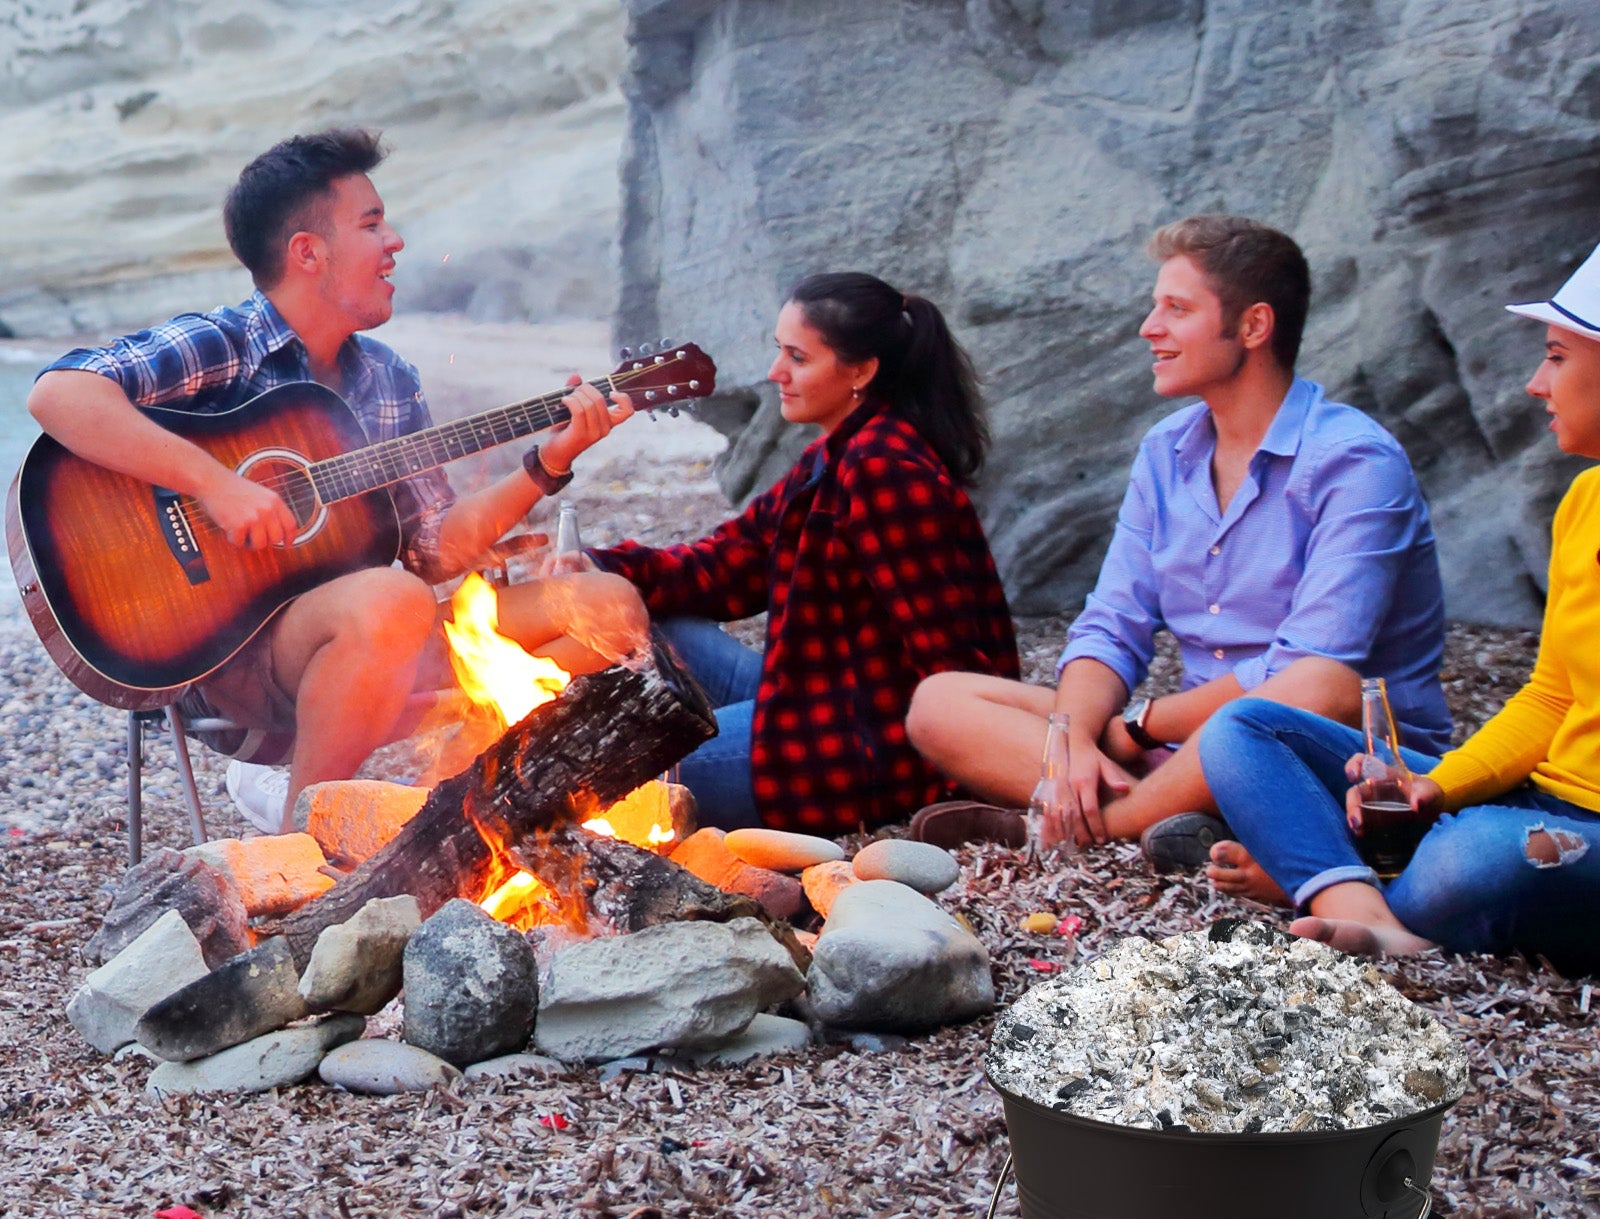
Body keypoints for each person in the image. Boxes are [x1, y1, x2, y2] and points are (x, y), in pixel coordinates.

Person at [27, 127, 643, 834]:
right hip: (223, 654)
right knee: (390, 599)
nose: (396, 243)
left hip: (375, 649)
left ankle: (467, 825)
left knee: (608, 607)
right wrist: (216, 485)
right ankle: (300, 848)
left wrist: (548, 462)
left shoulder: (386, 378)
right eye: (372, 224)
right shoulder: (222, 344)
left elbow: (435, 548)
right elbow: (59, 394)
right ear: (308, 253)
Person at [904, 215, 1451, 864]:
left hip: (1334, 754)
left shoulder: (1355, 461)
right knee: (938, 703)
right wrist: (1072, 740)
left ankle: (1105, 824)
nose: (1149, 327)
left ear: (1253, 326)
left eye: (1176, 308)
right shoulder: (1166, 450)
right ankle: (1165, 809)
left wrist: (1139, 726)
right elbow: (1113, 622)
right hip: (1176, 747)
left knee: (1318, 681)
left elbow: (1307, 665)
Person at [1196, 239, 1600, 975]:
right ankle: (1373, 910)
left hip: (1558, 843)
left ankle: (1324, 877)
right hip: (1535, 799)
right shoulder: (1584, 501)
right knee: (1245, 729)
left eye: (1558, 357)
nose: (1536, 384)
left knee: (1482, 855)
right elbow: (1550, 698)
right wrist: (1432, 787)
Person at [586, 271, 1019, 835]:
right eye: (778, 351)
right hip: (815, 697)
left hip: (868, 750)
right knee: (649, 618)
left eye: (798, 357)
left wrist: (967, 780)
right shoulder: (834, 455)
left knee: (604, 777)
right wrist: (602, 570)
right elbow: (725, 567)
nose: (775, 374)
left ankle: (672, 752)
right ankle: (672, 732)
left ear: (861, 371)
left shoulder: (885, 472)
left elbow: (955, 669)